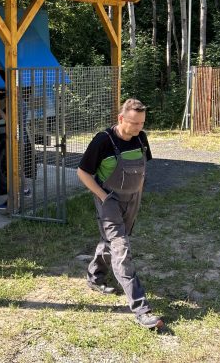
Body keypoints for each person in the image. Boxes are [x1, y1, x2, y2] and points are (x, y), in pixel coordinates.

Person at [76, 98, 164, 329]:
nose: (138, 128)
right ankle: (142, 310)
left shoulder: (141, 138)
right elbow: (83, 173)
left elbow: (142, 169)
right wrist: (104, 197)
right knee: (121, 249)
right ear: (121, 118)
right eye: (133, 123)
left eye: (142, 123)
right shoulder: (103, 141)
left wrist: (138, 195)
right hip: (109, 200)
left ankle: (95, 277)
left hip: (132, 199)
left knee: (112, 243)